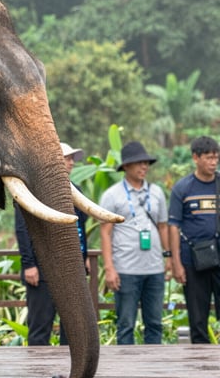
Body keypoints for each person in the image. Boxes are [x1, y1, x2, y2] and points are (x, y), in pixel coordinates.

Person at [14, 142, 89, 345]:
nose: (71, 162)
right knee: (40, 326)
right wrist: (29, 264)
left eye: (72, 158)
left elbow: (79, 228)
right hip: (42, 270)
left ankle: (70, 373)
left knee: (72, 328)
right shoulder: (32, 189)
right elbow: (23, 228)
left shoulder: (76, 189)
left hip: (70, 271)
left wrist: (84, 258)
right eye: (66, 158)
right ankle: (37, 372)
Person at [99, 141, 169, 345]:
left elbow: (163, 227)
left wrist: (169, 258)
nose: (144, 167)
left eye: (146, 163)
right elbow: (106, 232)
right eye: (139, 163)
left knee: (155, 323)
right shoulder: (112, 195)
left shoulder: (156, 192)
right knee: (126, 324)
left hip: (154, 269)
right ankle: (126, 373)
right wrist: (110, 268)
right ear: (126, 166)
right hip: (126, 270)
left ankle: (153, 372)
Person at [168, 135, 220, 343]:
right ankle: (201, 366)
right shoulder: (183, 188)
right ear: (195, 158)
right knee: (197, 318)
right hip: (193, 261)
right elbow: (173, 226)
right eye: (208, 158)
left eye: (216, 158)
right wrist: (176, 263)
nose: (213, 162)